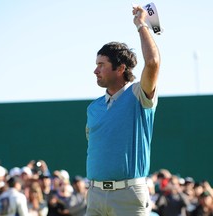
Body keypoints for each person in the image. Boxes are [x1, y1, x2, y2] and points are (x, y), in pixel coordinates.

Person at [85, 4, 161, 216]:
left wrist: (140, 24)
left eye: (101, 64)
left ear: (120, 68)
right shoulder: (93, 108)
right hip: (95, 196)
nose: (95, 70)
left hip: (129, 197)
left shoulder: (138, 95)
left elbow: (153, 63)